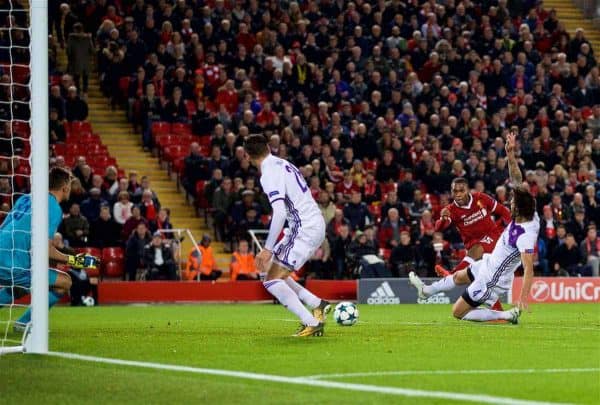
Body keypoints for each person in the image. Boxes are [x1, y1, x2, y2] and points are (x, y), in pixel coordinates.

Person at [410, 131, 539, 324]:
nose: (509, 204)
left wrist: (523, 297)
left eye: (512, 203)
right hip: (487, 263)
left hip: (492, 277)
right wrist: (511, 155)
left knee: (458, 312)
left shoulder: (525, 235)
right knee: (460, 277)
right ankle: (427, 290)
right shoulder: (528, 211)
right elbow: (517, 178)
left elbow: (529, 268)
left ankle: (505, 315)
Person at [245, 134, 330, 337]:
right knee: (269, 271)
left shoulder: (268, 173)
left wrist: (266, 249)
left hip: (303, 228)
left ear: (247, 156)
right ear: (267, 147)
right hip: (308, 224)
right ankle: (317, 304)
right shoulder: (282, 163)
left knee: (271, 280)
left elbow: (280, 212)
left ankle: (311, 322)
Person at [0, 168, 99, 330]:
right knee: (64, 282)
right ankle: (25, 323)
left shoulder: (26, 198)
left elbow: (5, 227)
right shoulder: (53, 206)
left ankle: (23, 323)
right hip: (14, 263)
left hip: (4, 255)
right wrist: (77, 260)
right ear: (65, 187)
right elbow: (45, 250)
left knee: (22, 287)